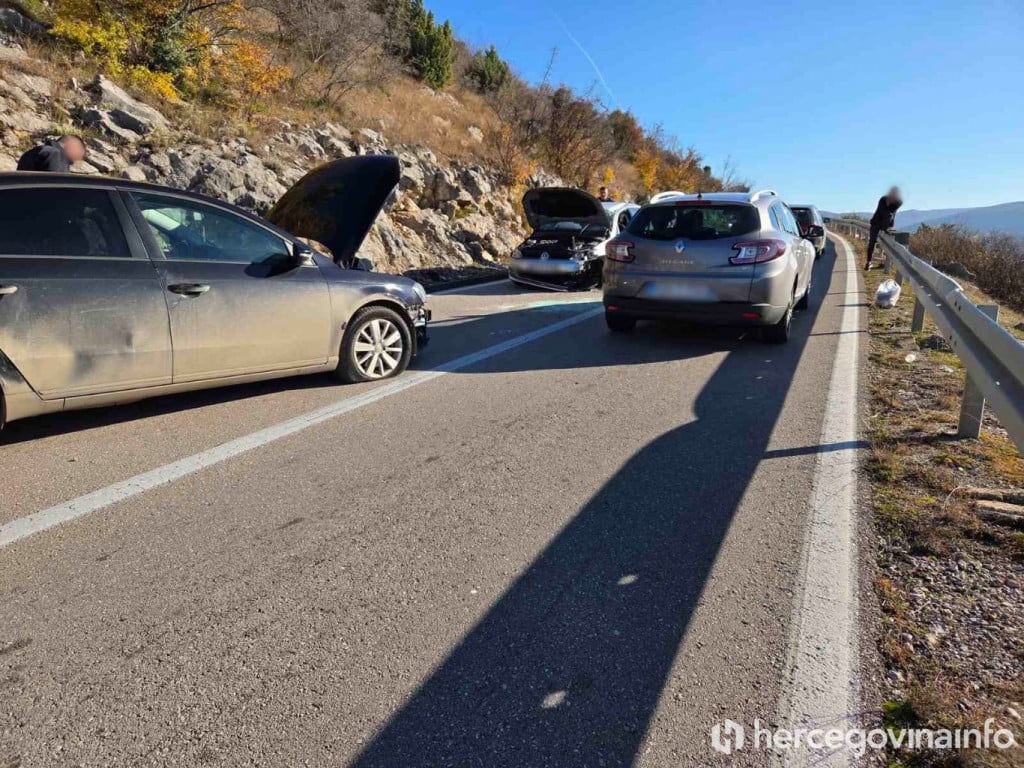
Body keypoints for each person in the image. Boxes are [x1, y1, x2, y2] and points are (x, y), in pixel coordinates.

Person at [866, 186, 903, 269]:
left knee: (888, 244)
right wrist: (887, 203)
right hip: (876, 222)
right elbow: (882, 211)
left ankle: (886, 264)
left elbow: (890, 213)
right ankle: (868, 262)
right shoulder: (883, 199)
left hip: (887, 225)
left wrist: (885, 228)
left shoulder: (899, 202)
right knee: (872, 242)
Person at [16, 135, 87, 173]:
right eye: (77, 157)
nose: (73, 162)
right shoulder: (56, 155)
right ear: (73, 145)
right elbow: (56, 188)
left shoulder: (32, 152)